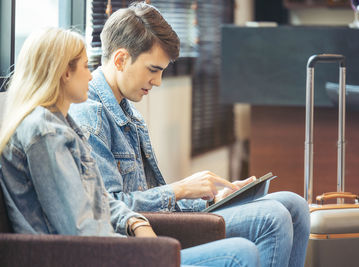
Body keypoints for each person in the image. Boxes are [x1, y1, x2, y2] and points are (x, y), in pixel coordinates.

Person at [69, 2, 311, 266]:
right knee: (273, 218)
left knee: (294, 205)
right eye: (153, 70)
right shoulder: (91, 116)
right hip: (137, 237)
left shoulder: (129, 114)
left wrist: (215, 198)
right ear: (121, 59)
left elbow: (155, 202)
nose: (158, 82)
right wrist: (182, 188)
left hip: (158, 222)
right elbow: (112, 207)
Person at [0, 27, 261, 267]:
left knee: (243, 248)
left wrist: (135, 221)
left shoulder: (61, 123)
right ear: (64, 73)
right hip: (100, 255)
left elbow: (99, 198)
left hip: (114, 246)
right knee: (240, 254)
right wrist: (134, 250)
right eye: (83, 66)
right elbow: (77, 230)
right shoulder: (45, 133)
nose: (91, 75)